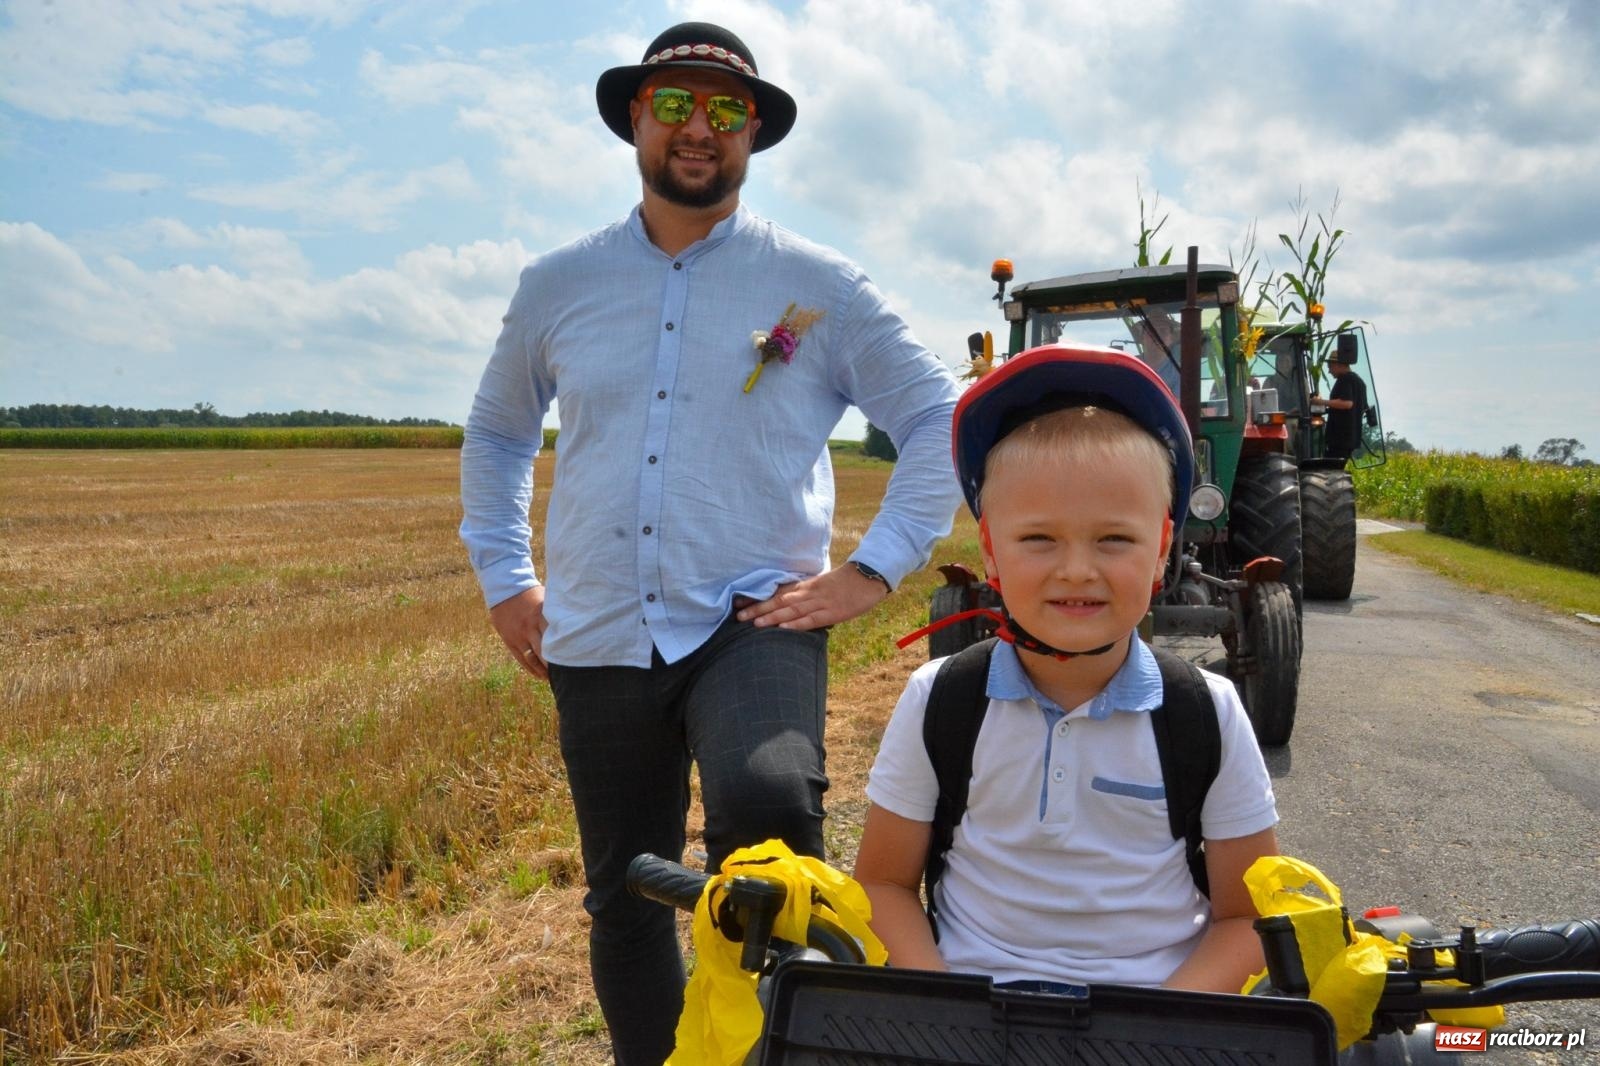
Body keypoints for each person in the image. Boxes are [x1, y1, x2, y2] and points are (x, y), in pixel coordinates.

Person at [457, 21, 963, 1065]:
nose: (700, 129)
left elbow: (935, 420)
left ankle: (779, 1049)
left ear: (754, 134)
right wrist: (508, 578)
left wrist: (872, 569)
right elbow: (501, 432)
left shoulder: (818, 286)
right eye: (676, 104)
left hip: (756, 618)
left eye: (725, 110)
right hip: (597, 626)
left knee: (769, 814)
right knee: (626, 888)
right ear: (636, 118)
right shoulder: (557, 283)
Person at [853, 345, 1279, 995]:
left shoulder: (1208, 715)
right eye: (1039, 539)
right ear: (992, 550)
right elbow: (882, 883)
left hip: (1155, 1021)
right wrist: (940, 1003)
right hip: (965, 1019)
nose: (1077, 570)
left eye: (1113, 539)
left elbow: (1247, 916)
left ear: (1162, 546)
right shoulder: (939, 700)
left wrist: (1155, 1029)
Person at [1311, 351, 1368, 460]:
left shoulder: (1345, 379)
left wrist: (1321, 402)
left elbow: (1347, 404)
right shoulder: (1359, 382)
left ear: (1338, 364)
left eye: (1330, 367)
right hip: (1350, 438)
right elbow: (1361, 407)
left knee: (1330, 468)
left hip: (1340, 438)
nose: (1329, 371)